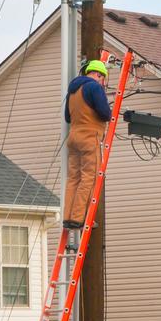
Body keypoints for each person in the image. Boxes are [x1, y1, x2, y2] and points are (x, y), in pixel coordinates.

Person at [63, 60, 111, 229]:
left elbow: (68, 118)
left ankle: (68, 217)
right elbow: (105, 113)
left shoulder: (73, 90)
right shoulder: (94, 87)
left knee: (73, 179)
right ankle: (78, 219)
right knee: (88, 178)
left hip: (74, 138)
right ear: (98, 75)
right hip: (90, 138)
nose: (103, 82)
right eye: (103, 78)